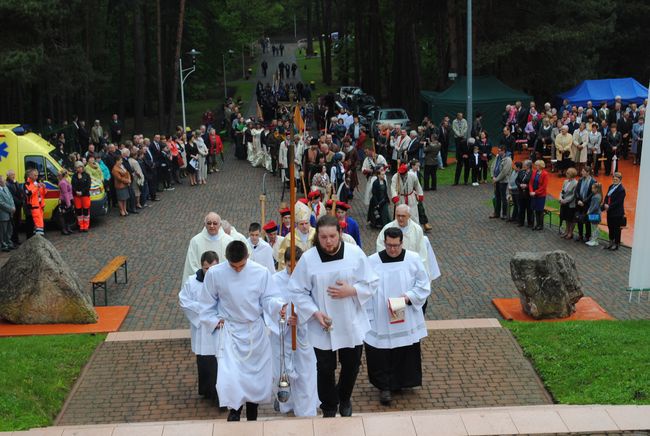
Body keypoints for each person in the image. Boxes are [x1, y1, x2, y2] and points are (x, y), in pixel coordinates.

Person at [288, 215, 379, 417]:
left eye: (332, 236)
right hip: (322, 324)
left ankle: (344, 398)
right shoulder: (309, 259)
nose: (328, 241)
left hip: (350, 320)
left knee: (351, 365)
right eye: (323, 237)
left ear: (340, 233)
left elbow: (372, 282)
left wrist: (353, 290)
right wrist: (314, 312)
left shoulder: (355, 254)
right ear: (317, 236)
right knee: (325, 368)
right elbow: (296, 290)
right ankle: (329, 406)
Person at [199, 240, 286, 421]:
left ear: (247, 257)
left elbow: (269, 298)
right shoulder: (215, 274)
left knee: (253, 377)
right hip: (230, 331)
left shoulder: (260, 272)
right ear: (227, 260)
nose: (238, 269)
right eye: (234, 266)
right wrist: (215, 321)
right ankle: (234, 412)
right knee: (231, 376)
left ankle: (252, 415)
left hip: (254, 329)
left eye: (242, 265)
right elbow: (206, 303)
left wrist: (278, 306)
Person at [365, 227, 430, 405]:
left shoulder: (413, 259)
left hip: (405, 312)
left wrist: (409, 297)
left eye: (396, 245)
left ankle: (401, 382)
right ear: (384, 243)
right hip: (381, 315)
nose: (392, 249)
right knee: (382, 351)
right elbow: (365, 287)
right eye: (389, 245)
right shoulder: (372, 262)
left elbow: (423, 284)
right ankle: (384, 387)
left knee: (404, 349)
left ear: (402, 243)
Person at [267, 247, 319, 417]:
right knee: (280, 372)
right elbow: (269, 305)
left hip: (304, 334)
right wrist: (281, 315)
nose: (293, 270)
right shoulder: (274, 280)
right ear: (285, 263)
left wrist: (302, 318)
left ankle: (305, 409)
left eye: (297, 266)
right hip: (282, 334)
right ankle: (286, 403)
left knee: (305, 372)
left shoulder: (310, 279)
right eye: (290, 266)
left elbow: (316, 304)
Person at [178, 250, 220, 402]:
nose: (209, 272)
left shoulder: (221, 281)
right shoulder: (192, 282)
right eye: (206, 268)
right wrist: (203, 309)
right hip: (201, 330)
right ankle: (206, 391)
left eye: (213, 268)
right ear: (202, 266)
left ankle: (218, 395)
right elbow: (183, 301)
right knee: (204, 362)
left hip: (216, 328)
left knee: (217, 364)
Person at [376, 204, 440, 289]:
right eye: (398, 216)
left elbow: (422, 253)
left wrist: (421, 272)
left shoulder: (417, 229)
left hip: (411, 269)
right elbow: (380, 246)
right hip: (392, 266)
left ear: (409, 216)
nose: (400, 218)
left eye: (403, 216)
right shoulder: (388, 228)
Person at [181, 212, 233, 282]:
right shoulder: (195, 241)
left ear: (220, 225)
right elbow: (191, 264)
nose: (212, 226)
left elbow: (233, 263)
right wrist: (203, 277)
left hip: (222, 281)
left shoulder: (229, 241)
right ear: (204, 225)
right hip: (202, 281)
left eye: (215, 223)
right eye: (209, 223)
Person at [277, 204, 315, 270]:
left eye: (306, 223)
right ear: (296, 225)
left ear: (309, 223)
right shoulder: (289, 238)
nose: (304, 226)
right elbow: (283, 258)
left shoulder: (316, 234)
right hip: (296, 270)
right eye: (301, 224)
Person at [602, 172, 626, 251]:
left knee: (616, 229)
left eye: (616, 179)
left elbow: (618, 202)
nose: (614, 180)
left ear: (620, 180)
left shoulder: (621, 190)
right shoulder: (611, 186)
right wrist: (605, 204)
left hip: (617, 213)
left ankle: (616, 244)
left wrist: (609, 206)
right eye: (614, 179)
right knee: (610, 227)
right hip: (610, 212)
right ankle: (611, 241)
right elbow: (607, 196)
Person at [489, 145, 513, 220]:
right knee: (497, 197)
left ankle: (504, 214)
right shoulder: (497, 157)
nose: (498, 152)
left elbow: (504, 172)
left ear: (504, 151)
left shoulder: (508, 159)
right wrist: (493, 176)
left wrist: (496, 179)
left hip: (503, 182)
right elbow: (493, 166)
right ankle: (497, 213)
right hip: (497, 180)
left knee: (503, 198)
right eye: (498, 150)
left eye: (500, 150)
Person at [574, 167, 595, 243]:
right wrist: (579, 200)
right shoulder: (580, 180)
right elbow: (576, 191)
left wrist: (584, 201)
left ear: (588, 172)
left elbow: (592, 194)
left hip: (587, 204)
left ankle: (587, 236)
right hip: (579, 203)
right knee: (579, 219)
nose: (581, 172)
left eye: (583, 171)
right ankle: (580, 235)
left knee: (587, 220)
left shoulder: (593, 181)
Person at [23, 168, 45, 236]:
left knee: (39, 223)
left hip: (40, 206)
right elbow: (29, 193)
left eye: (37, 175)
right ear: (30, 175)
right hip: (33, 206)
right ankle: (36, 238)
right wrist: (36, 187)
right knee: (36, 223)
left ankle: (38, 237)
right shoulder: (27, 184)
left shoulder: (36, 183)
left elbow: (42, 194)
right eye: (35, 175)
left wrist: (43, 187)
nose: (36, 177)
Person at [71, 161, 92, 232]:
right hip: (77, 196)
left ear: (82, 167)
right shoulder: (74, 176)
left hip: (85, 195)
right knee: (79, 211)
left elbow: (88, 186)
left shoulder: (87, 175)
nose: (79, 169)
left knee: (86, 211)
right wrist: (76, 192)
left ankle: (86, 226)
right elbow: (73, 186)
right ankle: (81, 226)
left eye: (80, 167)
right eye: (77, 167)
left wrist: (82, 192)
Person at [529, 160, 549, 231]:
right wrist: (531, 191)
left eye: (537, 165)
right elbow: (531, 183)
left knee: (540, 210)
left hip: (540, 195)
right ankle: (537, 224)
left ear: (540, 166)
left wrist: (535, 192)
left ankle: (540, 225)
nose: (535, 166)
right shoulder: (534, 172)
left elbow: (543, 186)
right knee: (535, 209)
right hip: (533, 194)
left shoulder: (545, 174)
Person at [559, 167, 578, 240]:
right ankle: (566, 231)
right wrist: (560, 198)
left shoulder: (576, 183)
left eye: (568, 173)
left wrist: (565, 200)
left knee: (571, 219)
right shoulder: (565, 181)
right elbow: (562, 191)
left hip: (570, 204)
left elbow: (573, 195)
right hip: (564, 203)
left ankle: (570, 232)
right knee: (566, 218)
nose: (566, 174)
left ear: (572, 174)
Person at [5, 170, 23, 246]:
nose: (13, 176)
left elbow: (19, 192)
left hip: (18, 206)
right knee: (13, 224)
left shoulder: (15, 183)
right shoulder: (7, 184)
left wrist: (16, 183)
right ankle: (13, 240)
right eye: (12, 174)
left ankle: (16, 239)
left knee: (18, 223)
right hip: (13, 206)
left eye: (14, 174)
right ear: (8, 175)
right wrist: (19, 202)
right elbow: (11, 196)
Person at [56, 169, 74, 235]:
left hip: (68, 199)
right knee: (63, 215)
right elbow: (65, 193)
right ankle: (64, 229)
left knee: (67, 215)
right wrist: (68, 203)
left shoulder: (64, 181)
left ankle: (67, 228)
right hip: (65, 201)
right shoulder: (63, 182)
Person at [0, 175, 16, 252]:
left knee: (10, 229)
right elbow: (1, 203)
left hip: (10, 213)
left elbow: (11, 197)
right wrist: (10, 209)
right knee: (3, 230)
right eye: (3, 181)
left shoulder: (5, 188)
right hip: (3, 213)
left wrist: (13, 206)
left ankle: (9, 243)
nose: (5, 182)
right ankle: (3, 245)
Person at [516, 160, 533, 228]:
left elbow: (532, 183)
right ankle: (521, 222)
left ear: (528, 166)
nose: (523, 166)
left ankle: (530, 223)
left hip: (528, 193)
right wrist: (519, 185)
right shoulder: (521, 171)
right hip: (521, 192)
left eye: (524, 165)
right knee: (521, 208)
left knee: (529, 208)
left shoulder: (532, 173)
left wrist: (527, 186)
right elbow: (516, 180)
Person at [585, 183, 603, 247]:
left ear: (597, 189)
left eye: (593, 188)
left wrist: (589, 211)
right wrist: (589, 210)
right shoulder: (597, 195)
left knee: (594, 227)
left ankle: (594, 240)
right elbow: (592, 205)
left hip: (595, 214)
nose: (592, 189)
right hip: (594, 213)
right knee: (594, 227)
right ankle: (593, 240)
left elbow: (595, 207)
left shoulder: (597, 196)